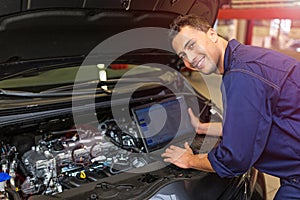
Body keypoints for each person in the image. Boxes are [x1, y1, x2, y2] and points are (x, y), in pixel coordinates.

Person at [161, 14, 300, 199]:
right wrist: (204, 127)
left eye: (191, 45)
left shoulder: (242, 75)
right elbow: (255, 122)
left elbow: (235, 158)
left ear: (211, 34)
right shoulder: (247, 59)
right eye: (183, 55)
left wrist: (190, 160)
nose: (190, 60)